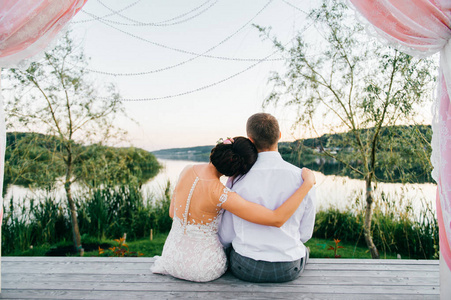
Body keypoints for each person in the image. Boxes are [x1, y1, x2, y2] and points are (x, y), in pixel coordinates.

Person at [151, 136, 315, 282]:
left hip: (172, 258)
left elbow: (173, 213)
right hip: (202, 268)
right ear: (238, 170)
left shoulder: (186, 169)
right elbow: (276, 218)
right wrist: (307, 184)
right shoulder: (221, 194)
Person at [218, 113, 316, 283]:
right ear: (279, 135)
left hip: (246, 266)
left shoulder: (237, 180)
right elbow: (305, 234)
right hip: (288, 267)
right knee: (304, 250)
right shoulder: (303, 178)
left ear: (250, 139)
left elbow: (226, 236)